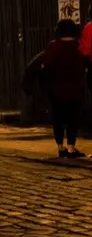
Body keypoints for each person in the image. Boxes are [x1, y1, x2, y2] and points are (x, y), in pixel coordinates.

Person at [27, 19, 87, 158]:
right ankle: (71, 148)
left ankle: (60, 147)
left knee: (57, 118)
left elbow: (46, 67)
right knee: (73, 119)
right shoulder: (78, 46)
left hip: (56, 91)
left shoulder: (53, 47)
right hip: (75, 90)